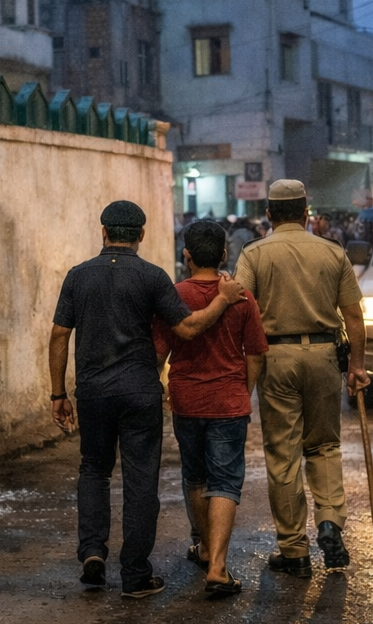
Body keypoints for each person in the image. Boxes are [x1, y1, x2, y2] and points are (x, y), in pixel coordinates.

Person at [49, 200, 243, 599]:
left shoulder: (78, 276)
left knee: (94, 470)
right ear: (140, 235)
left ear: (104, 232)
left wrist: (58, 393)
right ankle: (135, 575)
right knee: (140, 480)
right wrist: (223, 299)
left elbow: (59, 335)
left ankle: (92, 552)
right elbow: (187, 328)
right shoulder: (153, 277)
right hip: (139, 391)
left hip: (93, 392)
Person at [234, 179, 368, 578]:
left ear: (269, 214)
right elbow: (354, 316)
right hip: (325, 354)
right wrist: (357, 366)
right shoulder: (332, 251)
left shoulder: (254, 253)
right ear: (307, 212)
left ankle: (294, 549)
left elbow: (240, 310)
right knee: (324, 445)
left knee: (283, 453)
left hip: (275, 358)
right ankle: (329, 521)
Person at [153, 220, 267, 597]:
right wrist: (242, 392)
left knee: (196, 477)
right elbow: (256, 354)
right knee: (225, 482)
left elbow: (158, 353)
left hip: (187, 400)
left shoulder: (174, 295)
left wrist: (162, 387)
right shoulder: (241, 296)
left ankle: (204, 549)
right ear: (224, 253)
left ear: (186, 255)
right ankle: (217, 567)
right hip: (228, 402)